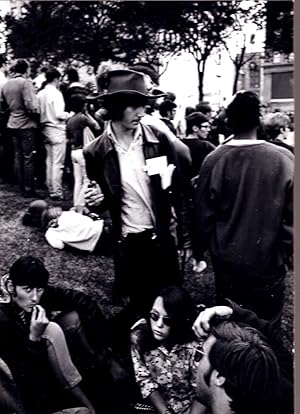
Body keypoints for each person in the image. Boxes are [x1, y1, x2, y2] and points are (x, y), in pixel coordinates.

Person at [84, 69, 192, 315]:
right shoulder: (95, 152)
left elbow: (179, 191)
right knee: (141, 305)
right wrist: (96, 201)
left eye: (144, 105)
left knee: (172, 304)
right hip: (131, 240)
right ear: (115, 106)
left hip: (163, 236)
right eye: (134, 106)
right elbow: (99, 200)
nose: (141, 112)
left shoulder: (159, 140)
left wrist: (184, 239)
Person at [193, 91, 294, 324]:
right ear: (258, 119)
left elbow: (202, 216)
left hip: (228, 265)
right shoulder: (284, 159)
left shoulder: (214, 160)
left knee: (230, 330)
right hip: (268, 263)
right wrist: (283, 253)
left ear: (229, 121)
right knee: (267, 327)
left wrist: (199, 251)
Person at [0, 256, 96, 413]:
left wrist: (103, 354)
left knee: (72, 318)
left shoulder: (28, 288)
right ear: (11, 286)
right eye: (28, 290)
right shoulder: (3, 318)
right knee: (51, 329)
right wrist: (34, 338)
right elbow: (23, 372)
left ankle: (96, 374)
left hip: (35, 354)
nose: (35, 298)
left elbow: (78, 299)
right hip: (19, 381)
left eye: (39, 290)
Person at [192, 304, 293, 414]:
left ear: (219, 377)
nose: (193, 364)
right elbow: (275, 344)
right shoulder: (284, 393)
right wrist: (233, 312)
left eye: (199, 355)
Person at [130, 286, 206, 414]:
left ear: (180, 321)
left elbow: (203, 391)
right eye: (154, 316)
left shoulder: (197, 346)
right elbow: (145, 380)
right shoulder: (138, 338)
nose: (159, 324)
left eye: (167, 320)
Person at [1, 59, 39, 197]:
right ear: (26, 69)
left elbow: (3, 105)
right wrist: (36, 115)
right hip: (26, 124)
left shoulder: (6, 85)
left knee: (18, 157)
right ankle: (29, 189)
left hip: (12, 123)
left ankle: (21, 186)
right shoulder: (25, 83)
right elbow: (31, 106)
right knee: (28, 157)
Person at [22, 199, 111, 254]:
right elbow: (88, 220)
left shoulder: (50, 234)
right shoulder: (67, 214)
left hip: (98, 245)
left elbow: (59, 246)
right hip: (102, 228)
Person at [37, 67, 72, 200]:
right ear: (57, 79)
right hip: (57, 128)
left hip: (45, 127)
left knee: (49, 160)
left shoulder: (40, 94)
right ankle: (56, 191)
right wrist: (69, 115)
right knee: (58, 163)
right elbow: (59, 114)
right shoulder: (56, 94)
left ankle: (50, 187)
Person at [67, 94, 101, 211]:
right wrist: (86, 113)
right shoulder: (83, 118)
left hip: (74, 151)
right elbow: (96, 127)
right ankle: (80, 205)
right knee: (87, 180)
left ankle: (75, 204)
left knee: (78, 180)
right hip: (83, 151)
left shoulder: (70, 119)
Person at [182, 112, 215, 180]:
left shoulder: (179, 144)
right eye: (205, 127)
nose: (209, 130)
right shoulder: (206, 146)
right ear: (195, 128)